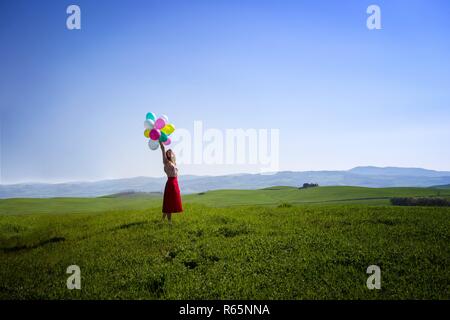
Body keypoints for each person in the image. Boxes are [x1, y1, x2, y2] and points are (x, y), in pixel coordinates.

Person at [159, 141, 183, 223]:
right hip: (170, 183)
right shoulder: (166, 162)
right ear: (166, 154)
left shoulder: (174, 162)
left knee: (171, 202)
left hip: (175, 183)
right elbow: (162, 149)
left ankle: (162, 220)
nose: (170, 153)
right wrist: (160, 142)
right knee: (168, 202)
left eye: (171, 152)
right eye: (168, 152)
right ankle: (169, 221)